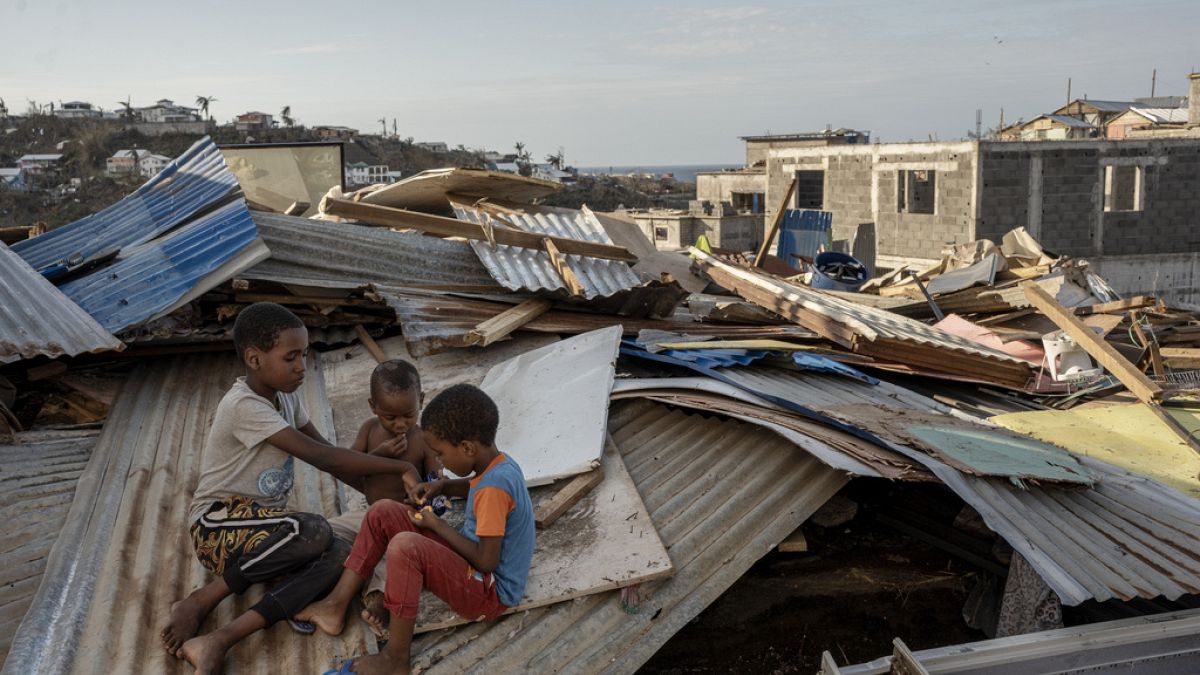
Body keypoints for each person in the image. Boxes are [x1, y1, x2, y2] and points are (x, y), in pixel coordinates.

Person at [159, 302, 422, 675]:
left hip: (269, 533)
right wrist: (402, 466)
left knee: (344, 553)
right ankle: (201, 600)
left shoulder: (286, 398)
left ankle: (220, 639)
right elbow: (323, 458)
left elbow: (331, 455)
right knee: (313, 529)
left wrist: (385, 504)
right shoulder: (243, 406)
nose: (302, 365)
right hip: (217, 527)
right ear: (254, 359)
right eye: (291, 357)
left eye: (305, 354)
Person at [299, 384, 535, 675]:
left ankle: (395, 659)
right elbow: (475, 486)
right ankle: (334, 605)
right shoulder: (498, 465)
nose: (441, 462)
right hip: (475, 569)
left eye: (442, 454)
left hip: (490, 592)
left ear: (467, 448)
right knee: (382, 511)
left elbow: (487, 561)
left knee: (405, 547)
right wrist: (443, 486)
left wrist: (436, 524)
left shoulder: (494, 489)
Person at [326, 359, 446, 635]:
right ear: (372, 407)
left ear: (422, 401)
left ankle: (380, 600)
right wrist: (380, 455)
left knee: (390, 559)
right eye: (390, 417)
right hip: (369, 518)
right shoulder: (369, 430)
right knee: (328, 529)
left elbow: (437, 479)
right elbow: (349, 464)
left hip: (405, 520)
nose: (400, 424)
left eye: (408, 414)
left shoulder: (423, 440)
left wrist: (433, 488)